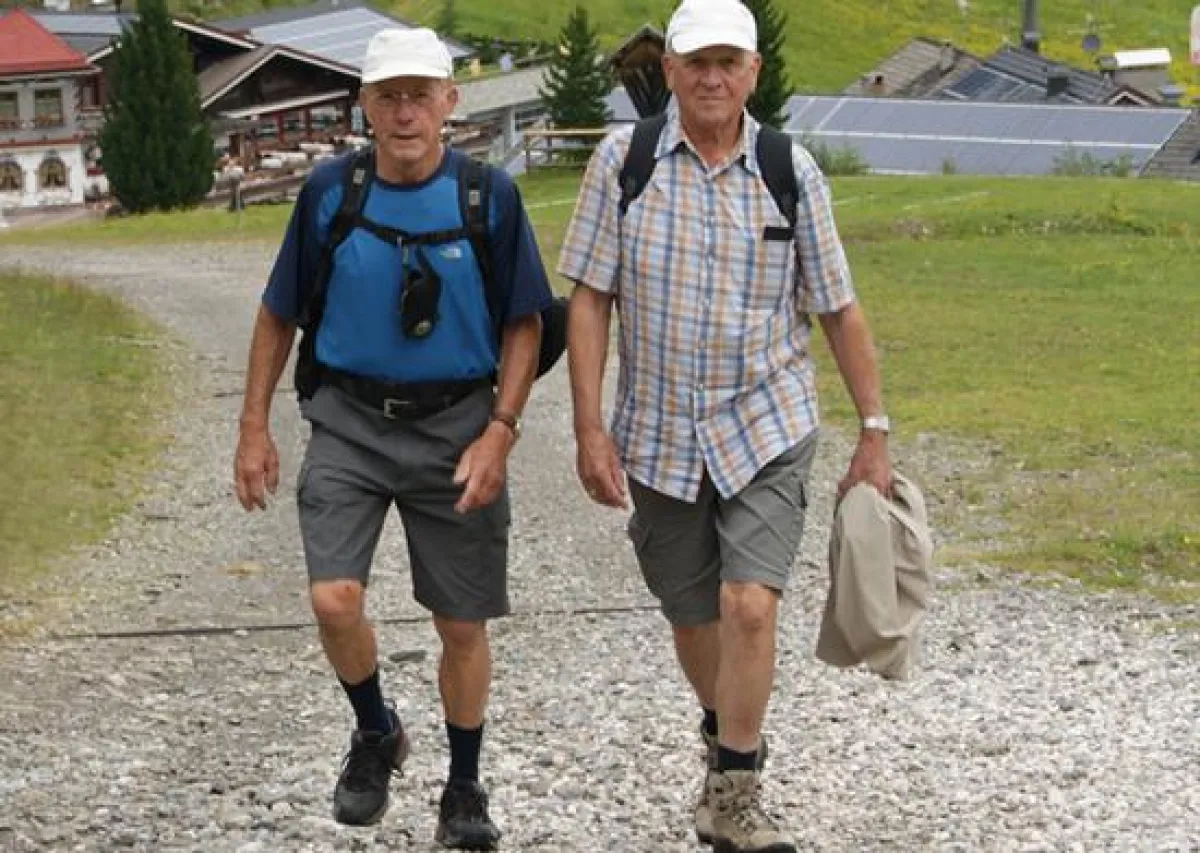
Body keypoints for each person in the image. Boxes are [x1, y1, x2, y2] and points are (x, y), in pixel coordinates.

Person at [558, 1, 892, 851]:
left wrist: (874, 428)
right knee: (693, 614)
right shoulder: (623, 164)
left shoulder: (790, 170)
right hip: (659, 433)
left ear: (753, 73)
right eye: (697, 62)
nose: (712, 78)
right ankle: (725, 735)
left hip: (766, 424)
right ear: (669, 70)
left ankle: (737, 790)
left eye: (728, 63)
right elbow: (590, 300)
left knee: (748, 603)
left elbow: (838, 308)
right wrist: (589, 426)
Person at [233, 27, 553, 850]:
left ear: (450, 102)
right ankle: (376, 729)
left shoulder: (487, 197)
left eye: (420, 95)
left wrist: (500, 431)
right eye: (388, 97)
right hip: (349, 421)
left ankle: (464, 786)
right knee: (333, 598)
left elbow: (525, 322)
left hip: (458, 426)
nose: (405, 112)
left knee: (461, 623)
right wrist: (253, 427)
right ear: (365, 107)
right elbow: (278, 312)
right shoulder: (330, 194)